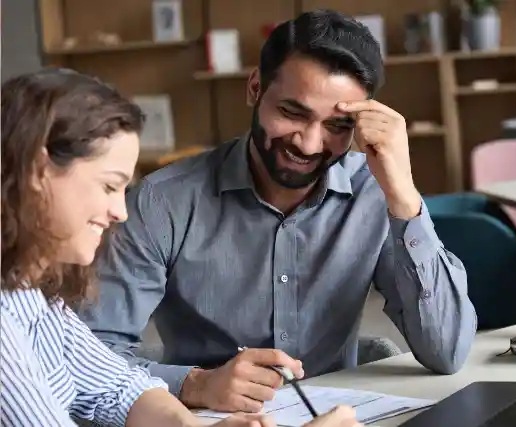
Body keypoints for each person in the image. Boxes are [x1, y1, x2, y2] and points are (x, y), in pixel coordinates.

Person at [80, 9, 478, 414]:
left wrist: (405, 197)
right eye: (292, 113)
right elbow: (85, 361)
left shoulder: (376, 191)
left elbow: (446, 350)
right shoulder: (161, 203)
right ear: (255, 87)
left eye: (337, 126)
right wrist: (196, 384)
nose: (308, 144)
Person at [0, 68, 361, 427]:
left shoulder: (33, 296)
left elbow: (118, 389)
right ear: (39, 172)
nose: (120, 212)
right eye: (110, 186)